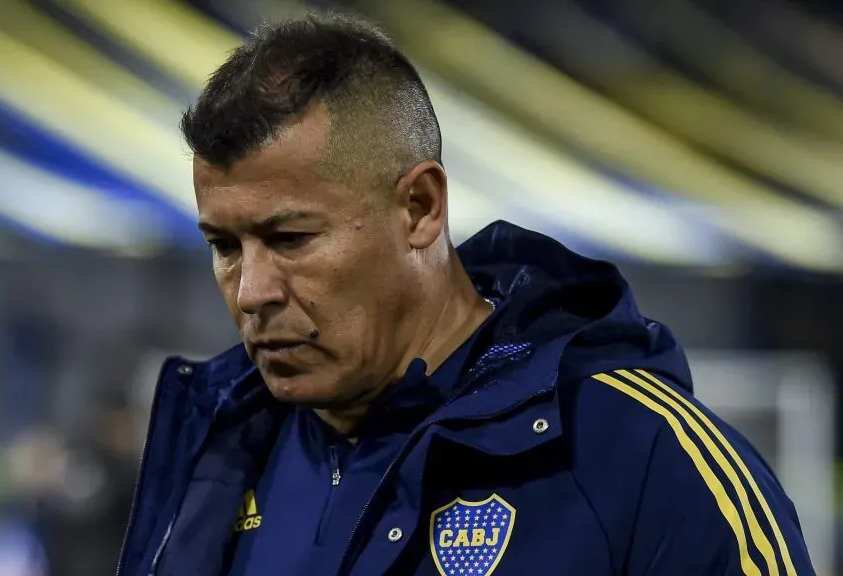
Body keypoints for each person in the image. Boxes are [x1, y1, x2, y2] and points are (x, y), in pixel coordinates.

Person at [116, 13, 816, 576]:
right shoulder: (214, 449)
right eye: (225, 247)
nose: (252, 291)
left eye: (291, 238)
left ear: (420, 207)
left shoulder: (641, 456)